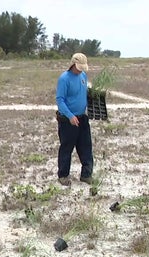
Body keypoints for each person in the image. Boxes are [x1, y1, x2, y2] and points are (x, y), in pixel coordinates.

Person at [55, 52, 94, 186]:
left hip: (82, 118)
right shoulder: (64, 79)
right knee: (66, 148)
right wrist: (70, 116)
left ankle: (86, 175)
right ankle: (63, 175)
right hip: (67, 120)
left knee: (86, 147)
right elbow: (60, 100)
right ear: (72, 64)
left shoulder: (83, 76)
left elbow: (83, 94)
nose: (80, 70)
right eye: (79, 67)